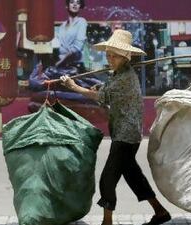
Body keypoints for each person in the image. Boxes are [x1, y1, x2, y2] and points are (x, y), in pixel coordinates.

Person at [59, 29, 171, 225]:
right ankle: (160, 212)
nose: (110, 59)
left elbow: (101, 97)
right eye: (108, 55)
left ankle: (107, 222)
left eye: (114, 56)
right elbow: (106, 94)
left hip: (126, 136)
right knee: (133, 176)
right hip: (126, 133)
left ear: (125, 57)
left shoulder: (125, 77)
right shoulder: (118, 74)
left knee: (107, 179)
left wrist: (73, 86)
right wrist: (98, 89)